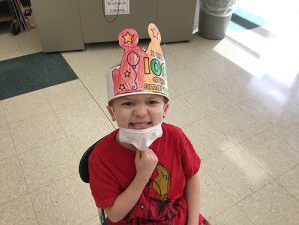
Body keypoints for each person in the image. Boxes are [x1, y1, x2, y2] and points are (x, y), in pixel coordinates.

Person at [89, 23, 211, 225]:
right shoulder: (101, 157)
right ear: (111, 112)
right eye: (127, 103)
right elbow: (114, 215)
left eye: (152, 102)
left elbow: (192, 179)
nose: (140, 112)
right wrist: (143, 174)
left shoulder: (176, 137)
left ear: (165, 109)